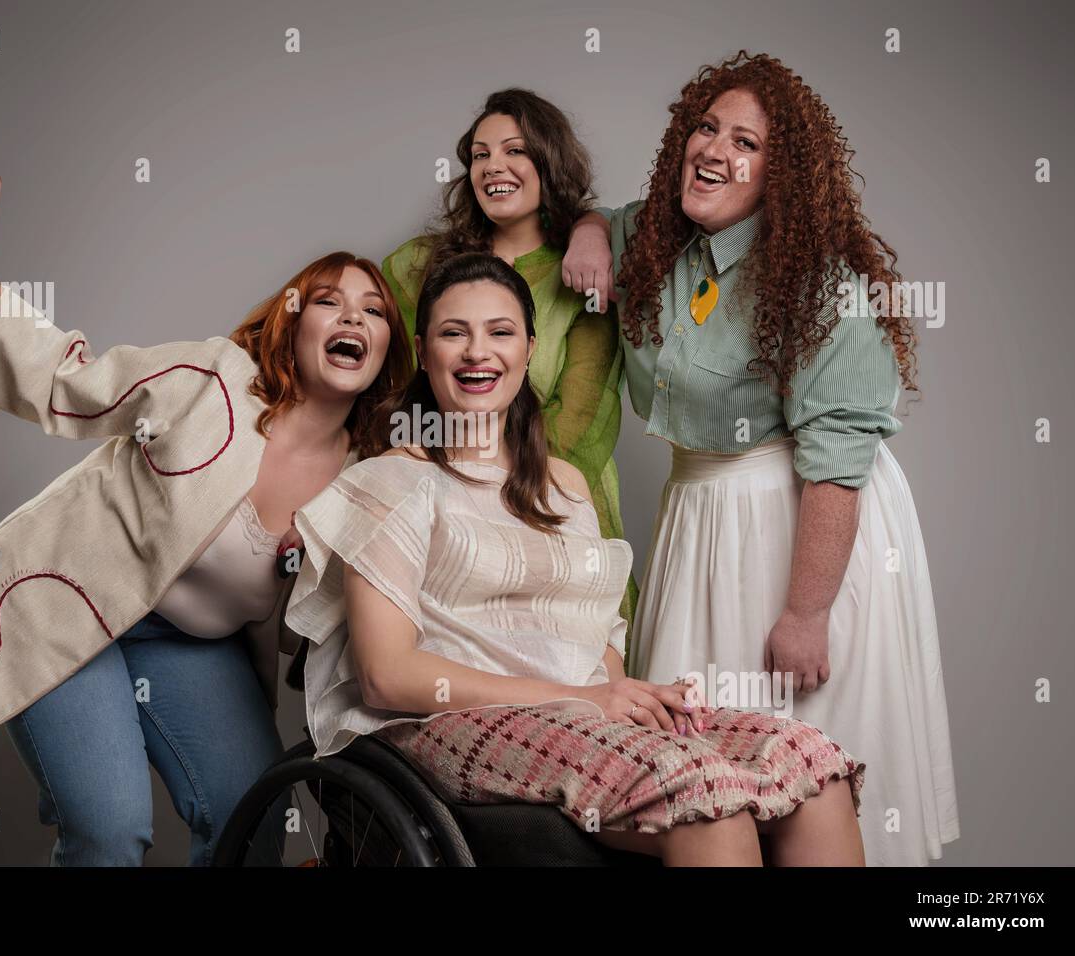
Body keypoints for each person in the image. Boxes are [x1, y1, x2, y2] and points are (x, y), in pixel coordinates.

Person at [284, 252, 865, 866]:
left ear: (529, 348)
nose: (478, 352)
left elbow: (593, 635)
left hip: (580, 711)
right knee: (704, 790)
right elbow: (386, 674)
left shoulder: (564, 486)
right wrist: (577, 697)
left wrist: (627, 695)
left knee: (809, 763)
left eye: (500, 332)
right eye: (455, 333)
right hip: (446, 721)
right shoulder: (391, 482)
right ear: (425, 352)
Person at [0, 176, 411, 865]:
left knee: (253, 817)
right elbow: (69, 381)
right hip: (66, 610)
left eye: (373, 311)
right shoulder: (211, 381)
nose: (353, 319)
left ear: (385, 346)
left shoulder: (364, 478)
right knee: (110, 830)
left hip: (194, 647)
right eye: (330, 302)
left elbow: (327, 635)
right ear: (294, 323)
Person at [560, 51, 958, 865]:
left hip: (804, 518)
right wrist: (592, 234)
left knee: (812, 750)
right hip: (699, 512)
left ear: (783, 175)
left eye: (746, 142)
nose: (715, 150)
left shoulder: (823, 287)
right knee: (701, 772)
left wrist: (807, 611)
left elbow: (838, 464)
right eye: (706, 128)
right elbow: (603, 214)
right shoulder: (658, 240)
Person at [381, 90, 637, 653]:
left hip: (554, 498)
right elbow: (396, 393)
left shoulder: (586, 273)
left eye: (514, 150)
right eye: (479, 155)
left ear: (550, 161)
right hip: (440, 497)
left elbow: (582, 426)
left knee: (578, 686)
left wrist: (496, 507)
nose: (493, 166)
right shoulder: (418, 267)